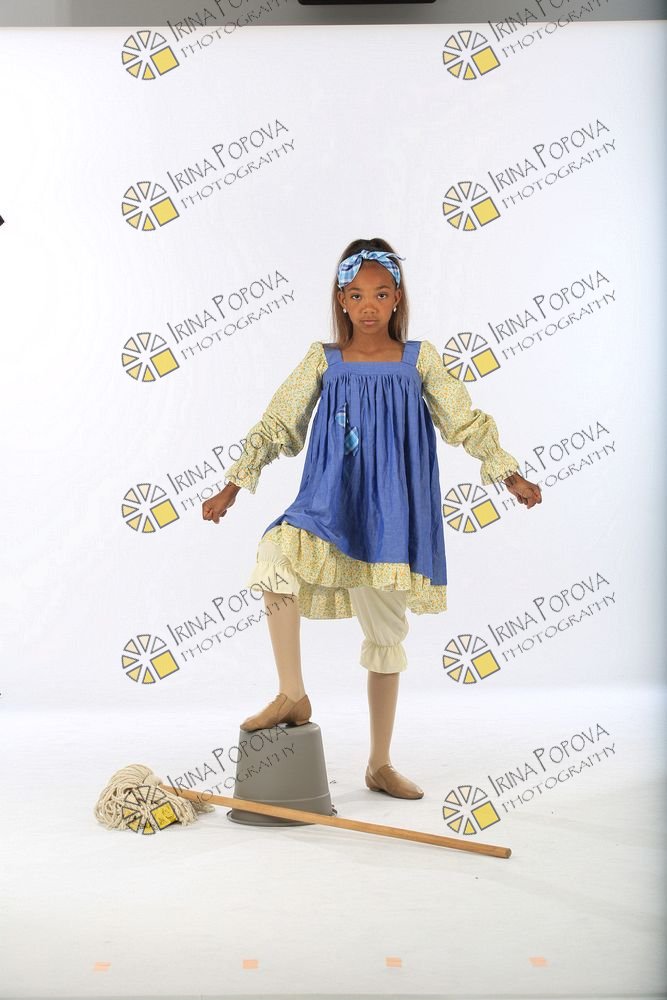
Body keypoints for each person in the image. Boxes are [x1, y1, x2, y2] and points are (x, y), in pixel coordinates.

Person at [202, 237, 542, 799]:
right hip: (329, 505)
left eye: (381, 294)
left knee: (385, 635)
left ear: (396, 298)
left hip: (392, 515)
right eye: (357, 294)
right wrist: (232, 486)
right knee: (274, 556)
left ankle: (379, 764)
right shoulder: (324, 360)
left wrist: (509, 475)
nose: (368, 306)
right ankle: (292, 693)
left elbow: (463, 420)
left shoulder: (419, 360)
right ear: (341, 299)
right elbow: (279, 421)